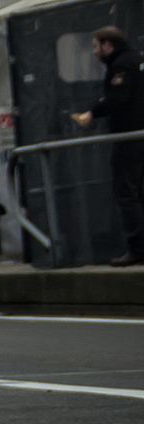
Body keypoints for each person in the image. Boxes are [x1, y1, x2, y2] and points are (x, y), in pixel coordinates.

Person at [72, 25, 144, 266]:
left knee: (127, 193)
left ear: (108, 45)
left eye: (95, 46)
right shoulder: (138, 60)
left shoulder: (121, 65)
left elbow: (118, 98)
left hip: (129, 138)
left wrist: (92, 113)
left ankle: (138, 249)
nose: (94, 52)